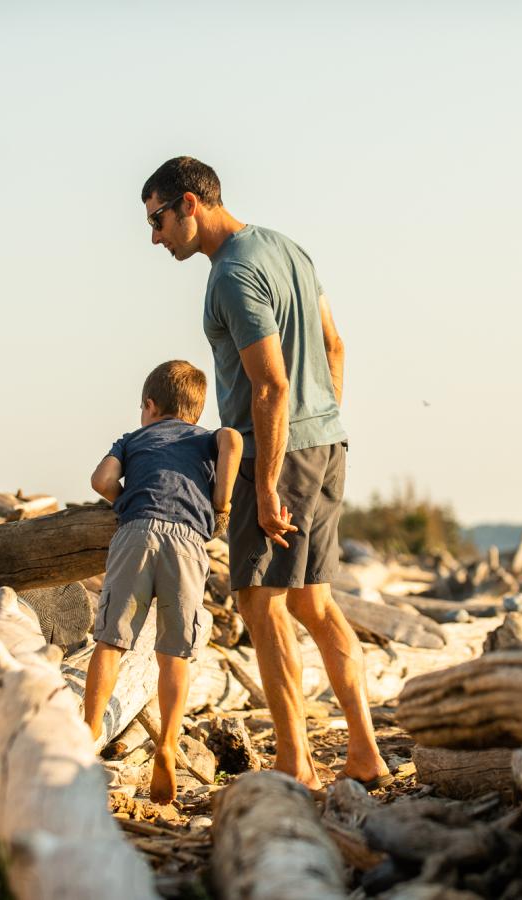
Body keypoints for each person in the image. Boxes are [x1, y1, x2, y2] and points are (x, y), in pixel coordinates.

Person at [140, 157, 390, 794]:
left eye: (159, 219)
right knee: (313, 599)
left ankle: (295, 763)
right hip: (325, 443)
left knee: (260, 602)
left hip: (276, 454)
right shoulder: (287, 248)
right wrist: (323, 419)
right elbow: (334, 345)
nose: (156, 236)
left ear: (191, 204)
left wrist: (269, 480)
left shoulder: (232, 274)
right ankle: (363, 751)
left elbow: (272, 386)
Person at [84, 359, 242, 804]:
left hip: (136, 532)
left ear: (150, 406)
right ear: (195, 409)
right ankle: (168, 747)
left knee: (111, 642)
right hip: (189, 540)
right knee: (175, 655)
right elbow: (232, 438)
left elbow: (100, 480)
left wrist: (125, 500)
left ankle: (88, 734)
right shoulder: (207, 438)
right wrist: (221, 503)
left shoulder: (134, 439)